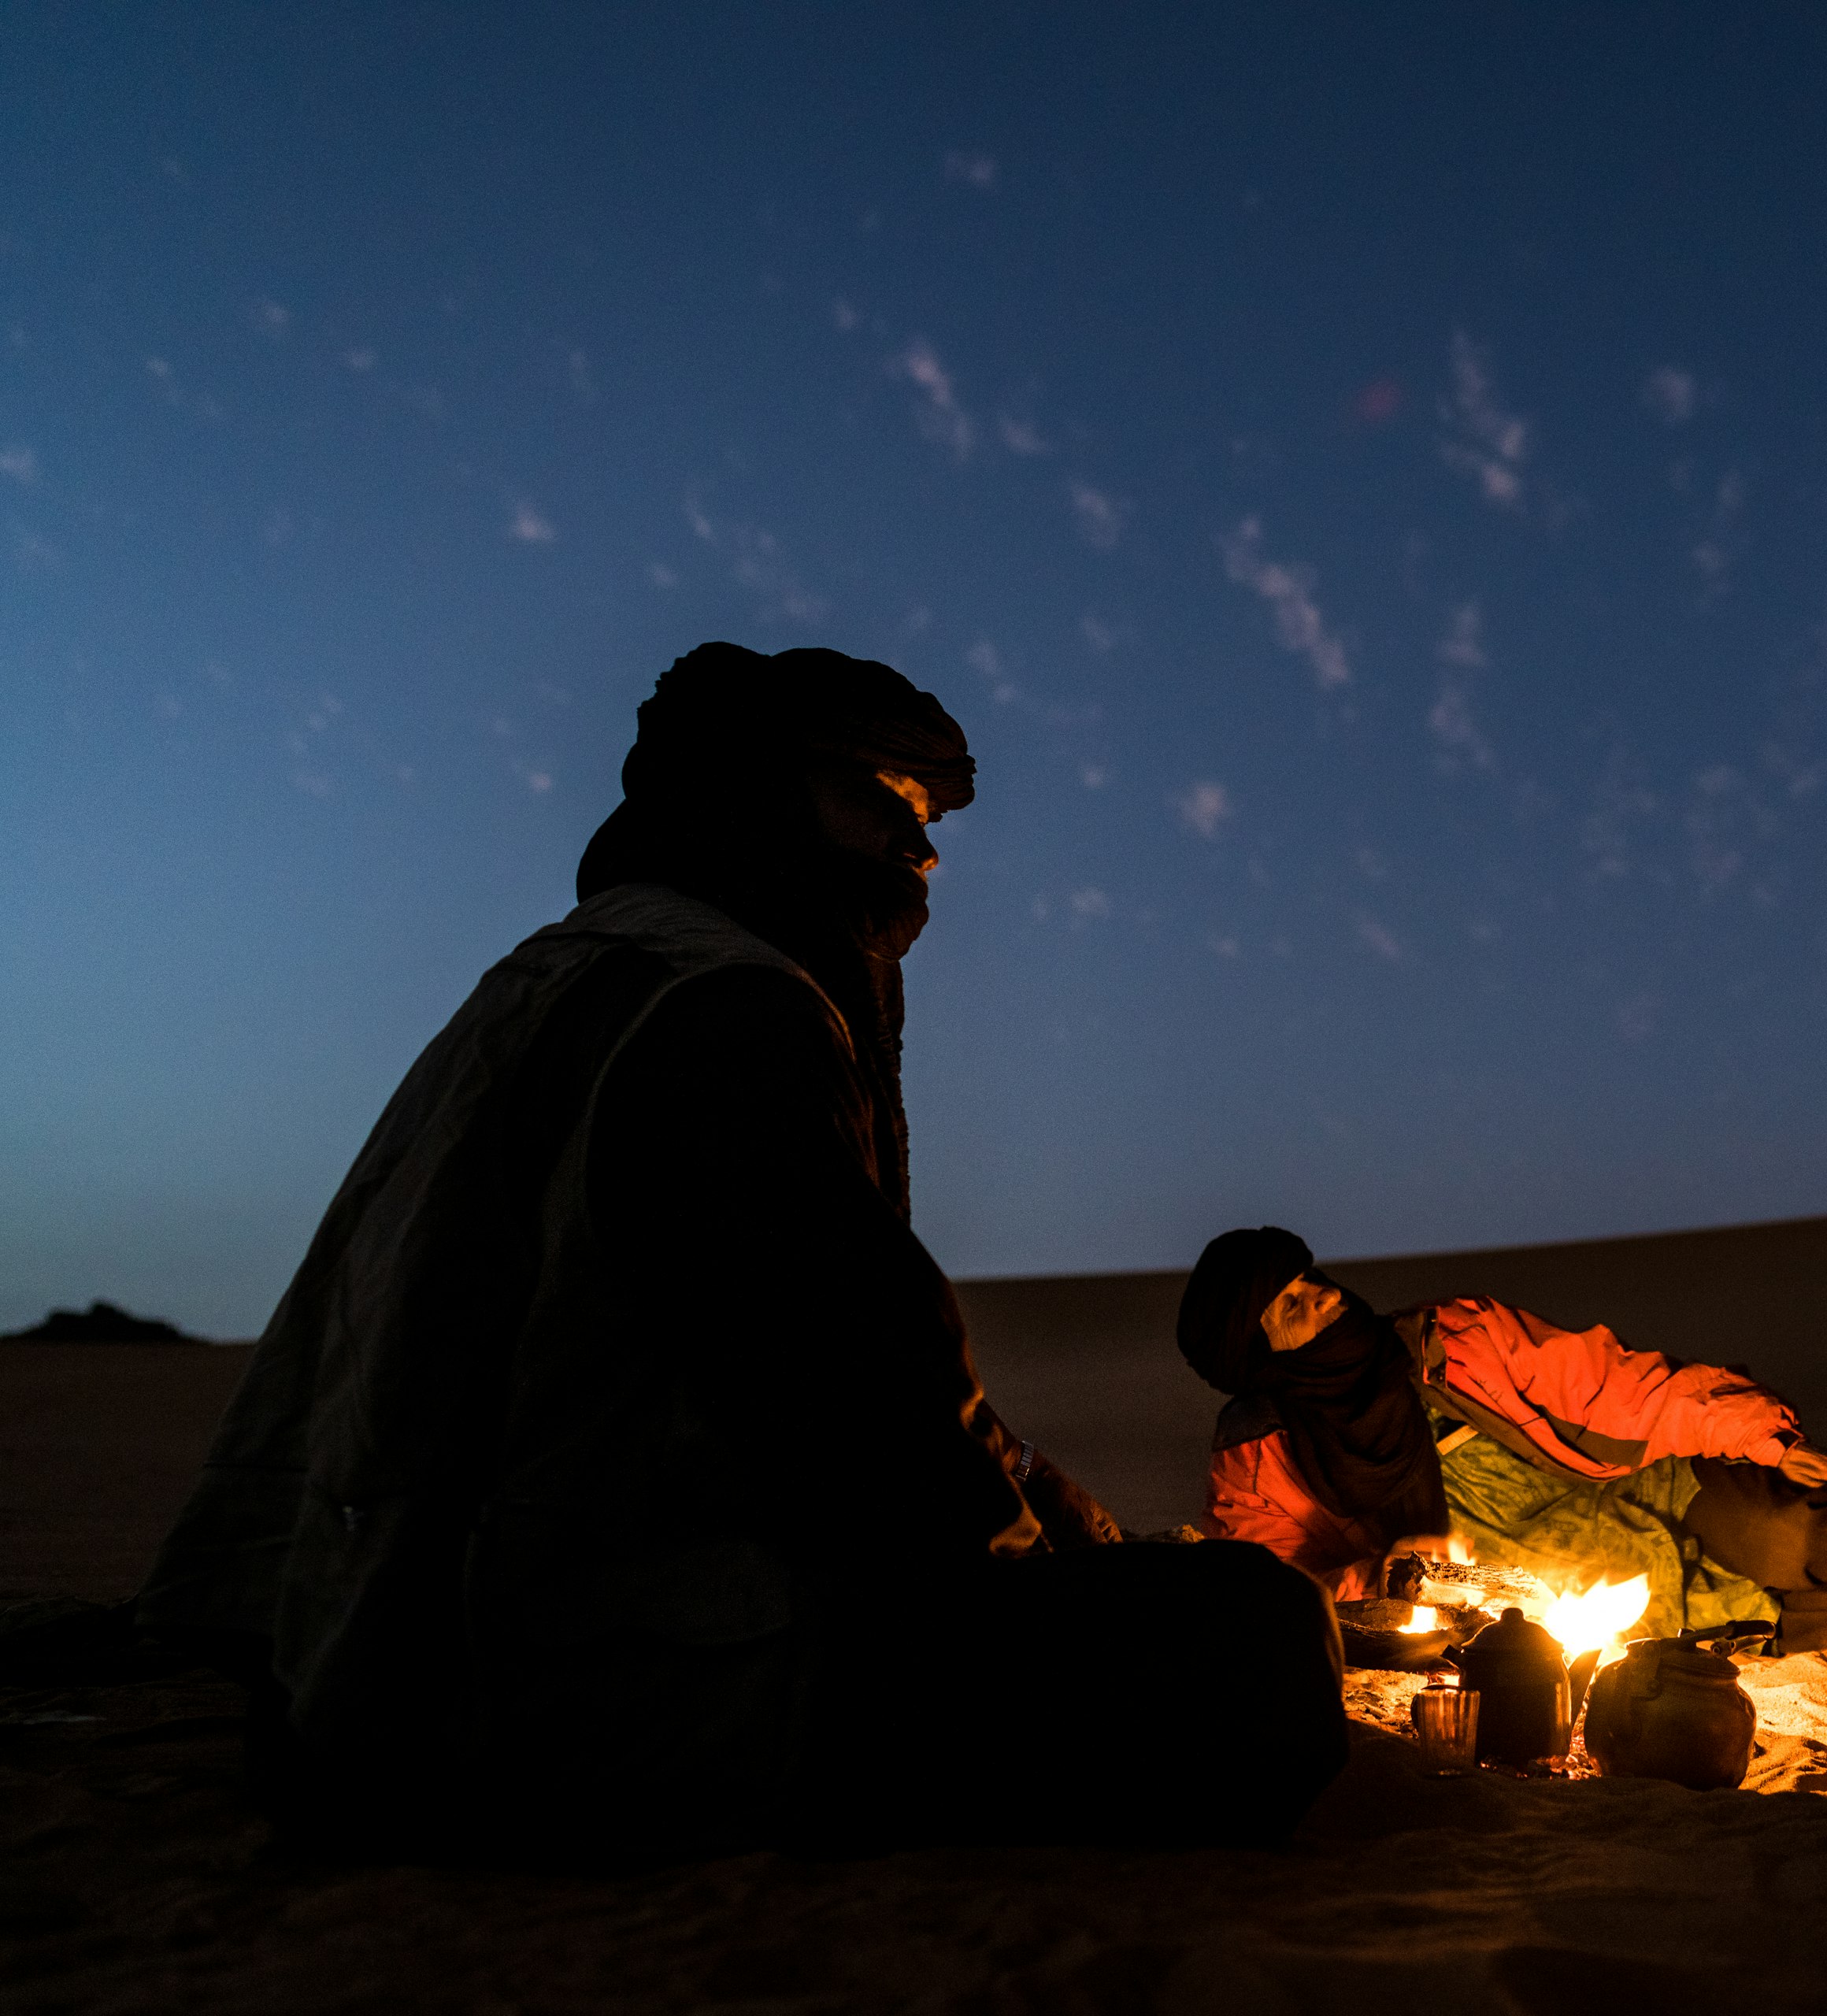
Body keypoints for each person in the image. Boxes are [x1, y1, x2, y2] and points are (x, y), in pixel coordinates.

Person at [138, 643, 1346, 1857]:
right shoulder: (723, 1009)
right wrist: (1025, 1567)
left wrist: (1025, 1478)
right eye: (884, 803)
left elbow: (752, 1332)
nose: (919, 856)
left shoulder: (560, 977)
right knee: (1258, 1634)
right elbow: (850, 1398)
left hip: (366, 1661)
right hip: (552, 1698)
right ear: (760, 791)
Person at [1178, 1226, 1827, 1648]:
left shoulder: (1452, 1341)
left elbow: (1619, 1387)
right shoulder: (1259, 1455)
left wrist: (1768, 1438)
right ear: (1259, 1355)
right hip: (1504, 1586)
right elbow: (1275, 1591)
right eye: (1291, 1306)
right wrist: (1391, 1578)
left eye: (1311, 1279)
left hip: (1639, 1490)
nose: (1324, 1296)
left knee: (1819, 1534)